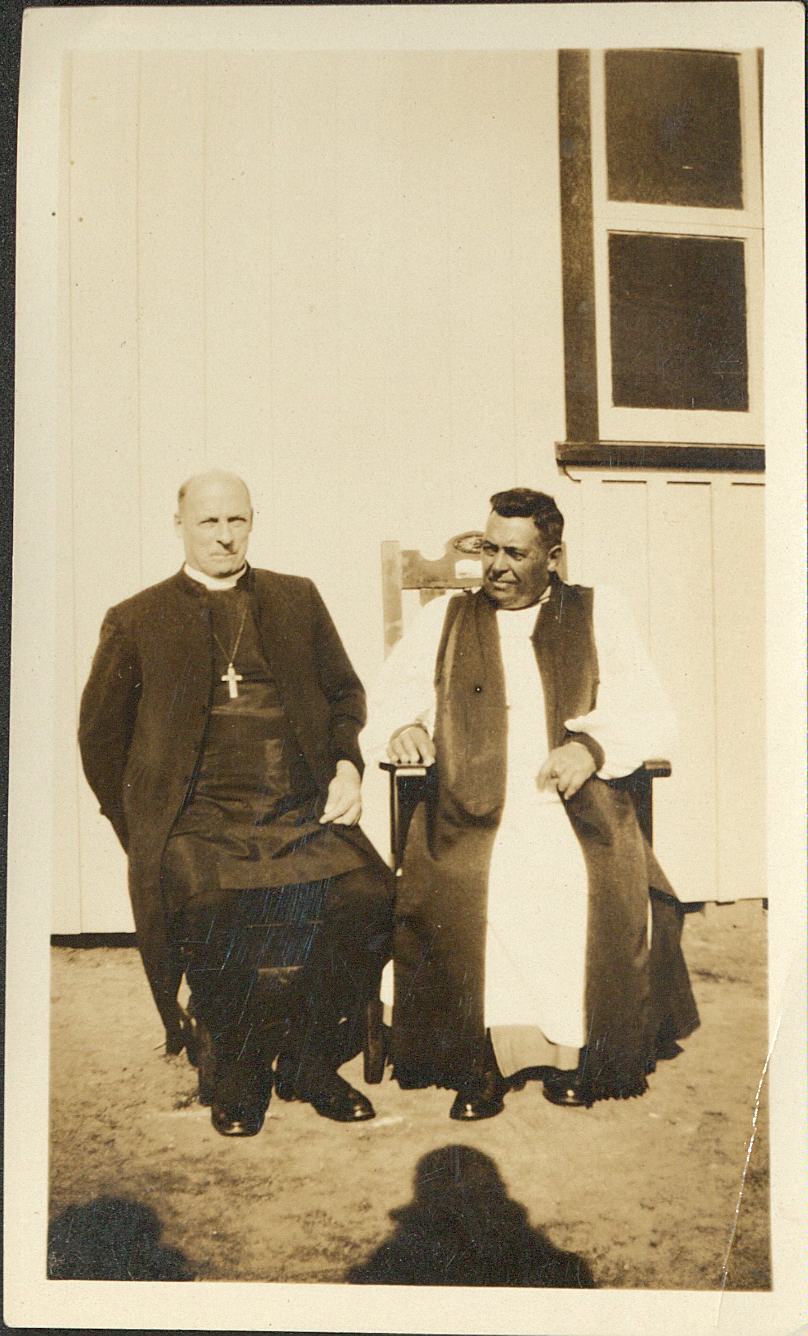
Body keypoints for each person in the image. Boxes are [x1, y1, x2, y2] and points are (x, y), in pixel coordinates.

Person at [366, 487, 699, 1121]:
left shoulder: (602, 613)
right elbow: (389, 701)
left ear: (553, 555)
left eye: (515, 553)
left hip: (567, 806)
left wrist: (594, 748)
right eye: (489, 548)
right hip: (466, 804)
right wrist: (401, 728)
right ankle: (480, 1061)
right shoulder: (445, 619)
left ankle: (570, 1055)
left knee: (570, 879)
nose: (496, 567)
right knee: (474, 883)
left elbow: (654, 715)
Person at [79, 470, 392, 1137]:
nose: (224, 537)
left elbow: (345, 695)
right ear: (180, 526)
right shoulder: (137, 618)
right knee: (210, 907)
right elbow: (99, 738)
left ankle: (308, 1059)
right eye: (208, 523)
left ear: (253, 521)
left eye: (236, 522)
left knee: (369, 895)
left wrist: (345, 766)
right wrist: (141, 830)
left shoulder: (295, 598)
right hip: (200, 821)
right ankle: (241, 1068)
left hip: (298, 808)